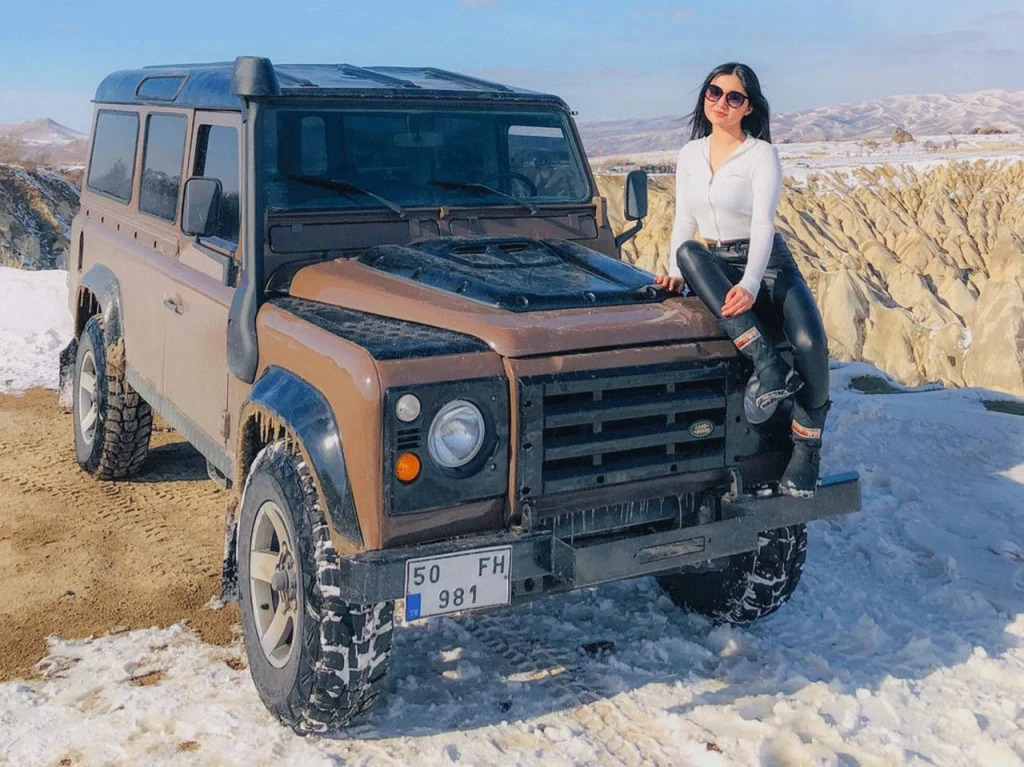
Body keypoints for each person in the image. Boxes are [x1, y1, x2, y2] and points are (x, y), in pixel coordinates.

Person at [654, 62, 831, 499]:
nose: (721, 103)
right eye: (715, 92)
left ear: (749, 108)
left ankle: (806, 451)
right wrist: (677, 275)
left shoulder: (761, 154)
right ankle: (767, 366)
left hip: (766, 263)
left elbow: (763, 226)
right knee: (687, 251)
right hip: (710, 262)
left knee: (813, 345)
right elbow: (684, 219)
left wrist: (751, 283)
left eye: (734, 97)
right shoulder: (689, 153)